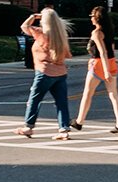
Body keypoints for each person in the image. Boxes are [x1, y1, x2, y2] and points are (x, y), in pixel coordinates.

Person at [13, 8, 75, 140]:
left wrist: (33, 16)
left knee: (34, 100)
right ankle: (64, 129)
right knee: (61, 102)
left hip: (44, 72)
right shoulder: (61, 36)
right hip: (60, 73)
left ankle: (28, 126)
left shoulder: (41, 33)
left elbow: (24, 26)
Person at [73, 7, 118, 134]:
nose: (90, 18)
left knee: (88, 93)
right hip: (111, 62)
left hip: (100, 64)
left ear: (97, 18)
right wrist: (111, 65)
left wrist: (105, 71)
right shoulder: (109, 31)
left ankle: (79, 121)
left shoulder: (96, 33)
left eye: (92, 16)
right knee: (113, 94)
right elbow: (111, 48)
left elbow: (102, 52)